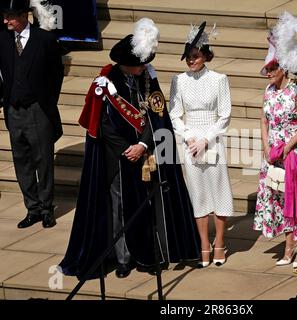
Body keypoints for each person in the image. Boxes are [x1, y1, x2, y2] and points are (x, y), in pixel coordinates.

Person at [60, 18, 200, 279]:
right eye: (139, 65)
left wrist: (144, 144)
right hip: (118, 158)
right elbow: (103, 125)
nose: (143, 68)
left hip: (146, 153)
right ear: (127, 64)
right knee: (121, 210)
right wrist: (129, 149)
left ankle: (149, 255)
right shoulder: (106, 81)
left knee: (146, 206)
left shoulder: (148, 77)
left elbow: (157, 115)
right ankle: (123, 259)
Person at [169, 22, 234, 268]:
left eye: (194, 57)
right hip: (190, 141)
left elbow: (225, 114)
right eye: (187, 57)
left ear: (206, 55)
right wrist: (188, 137)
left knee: (219, 191)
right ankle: (203, 244)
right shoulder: (178, 80)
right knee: (198, 193)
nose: (190, 61)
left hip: (213, 138)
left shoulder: (220, 79)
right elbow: (174, 113)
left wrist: (206, 139)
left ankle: (219, 242)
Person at [253, 12, 297, 266]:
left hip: (291, 152)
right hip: (272, 154)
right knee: (278, 198)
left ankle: (295, 247)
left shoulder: (296, 92)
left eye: (272, 68)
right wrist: (266, 147)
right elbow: (263, 121)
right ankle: (294, 244)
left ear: (283, 67)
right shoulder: (268, 91)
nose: (268, 73)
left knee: (294, 199)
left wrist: (286, 147)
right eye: (267, 69)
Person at [0, 0, 63, 229]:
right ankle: (32, 208)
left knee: (43, 160)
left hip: (38, 110)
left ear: (24, 16)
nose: (6, 21)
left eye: (10, 17)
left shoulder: (45, 40)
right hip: (13, 110)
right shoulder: (3, 39)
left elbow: (56, 75)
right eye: (5, 16)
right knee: (22, 162)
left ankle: (47, 209)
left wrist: (46, 102)